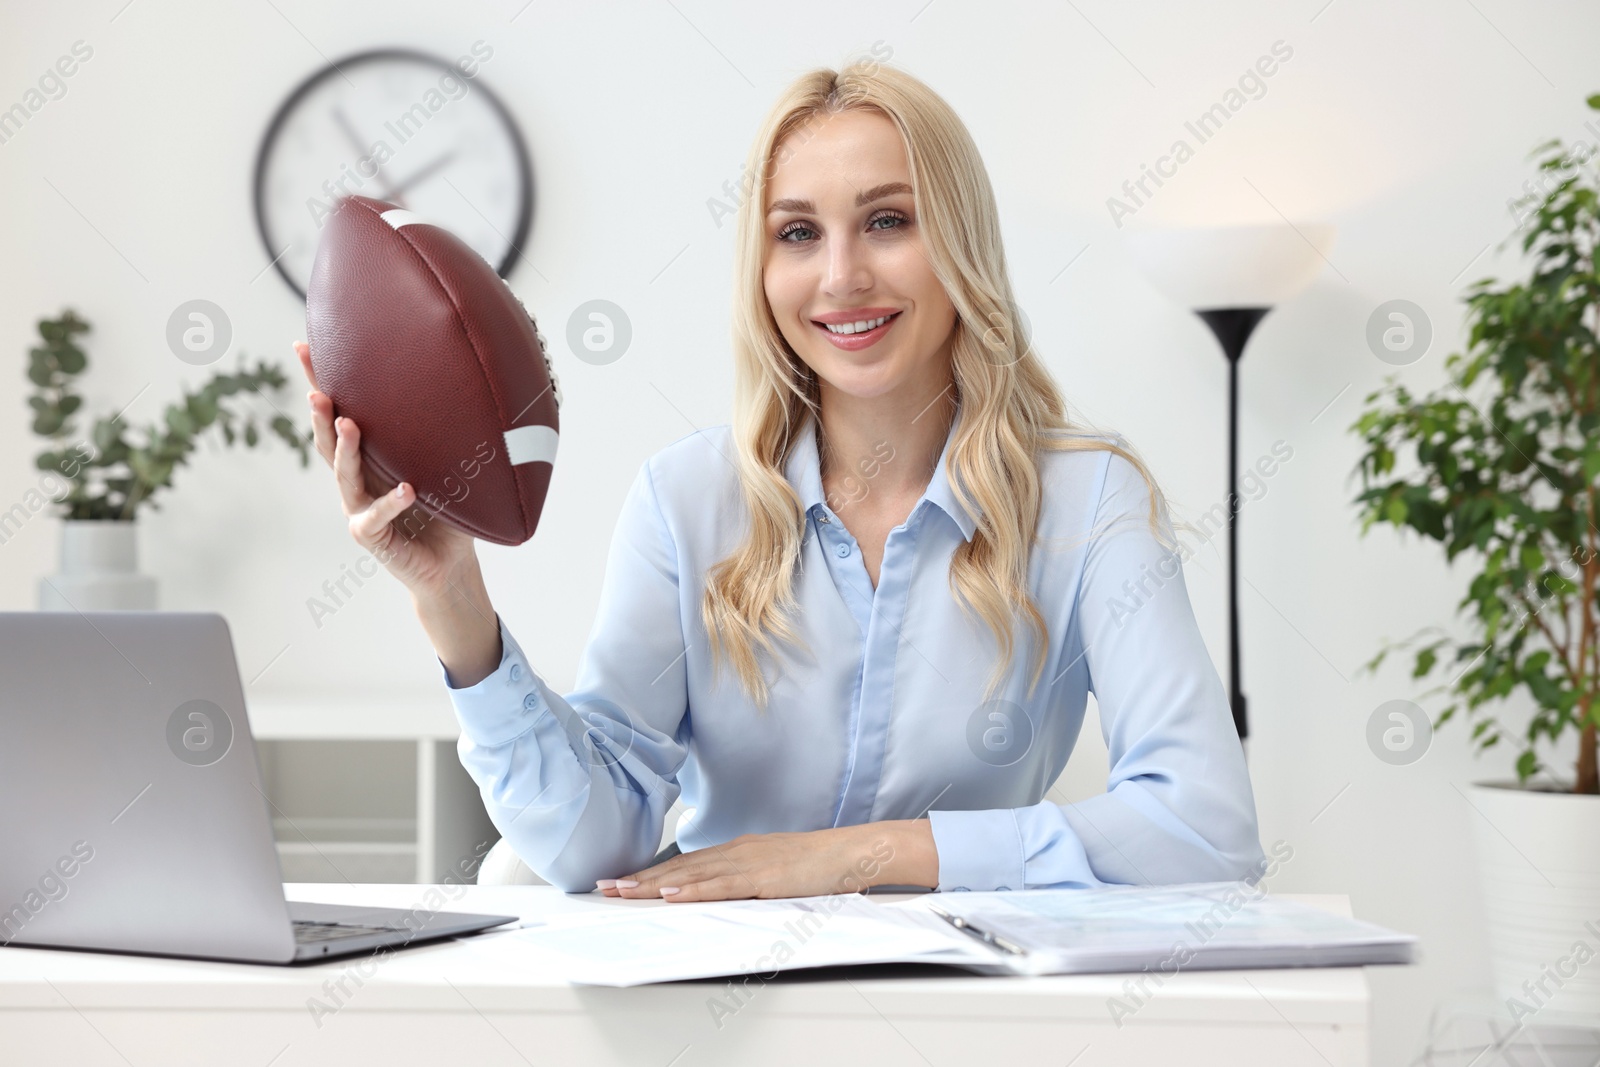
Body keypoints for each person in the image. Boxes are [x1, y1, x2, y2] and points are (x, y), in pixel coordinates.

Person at [294, 60, 1264, 901]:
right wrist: (453, 598)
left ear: (960, 247)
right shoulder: (685, 502)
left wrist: (856, 856)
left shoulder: (1088, 501)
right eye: (797, 233)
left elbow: (1205, 828)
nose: (840, 275)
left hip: (966, 1008)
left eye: (887, 220)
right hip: (723, 995)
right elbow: (592, 841)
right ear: (760, 269)